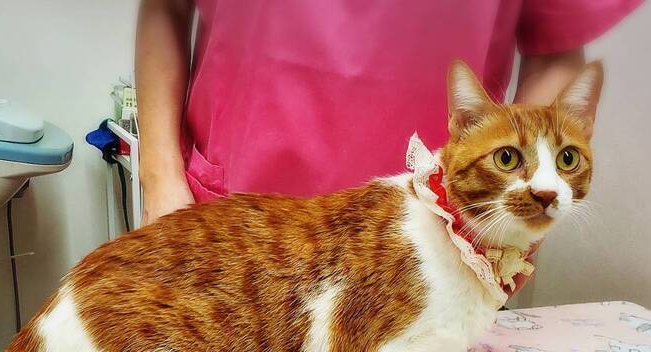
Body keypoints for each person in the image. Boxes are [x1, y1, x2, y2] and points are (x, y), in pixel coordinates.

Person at [136, 0, 641, 226]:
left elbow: (553, 44)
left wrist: (511, 211)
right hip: (230, 210)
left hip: (436, 230)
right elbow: (166, 5)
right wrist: (160, 180)